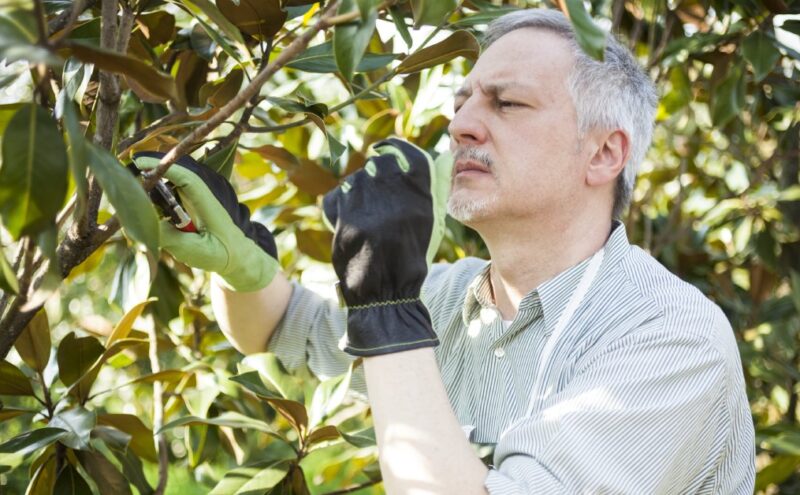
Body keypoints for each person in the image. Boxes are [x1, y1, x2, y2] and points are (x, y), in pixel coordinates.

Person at [133, 8, 755, 494]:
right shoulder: (451, 294)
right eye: (462, 104)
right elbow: (280, 329)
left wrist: (387, 310)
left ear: (604, 154)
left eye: (506, 103)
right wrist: (242, 263)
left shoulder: (669, 337)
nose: (461, 125)